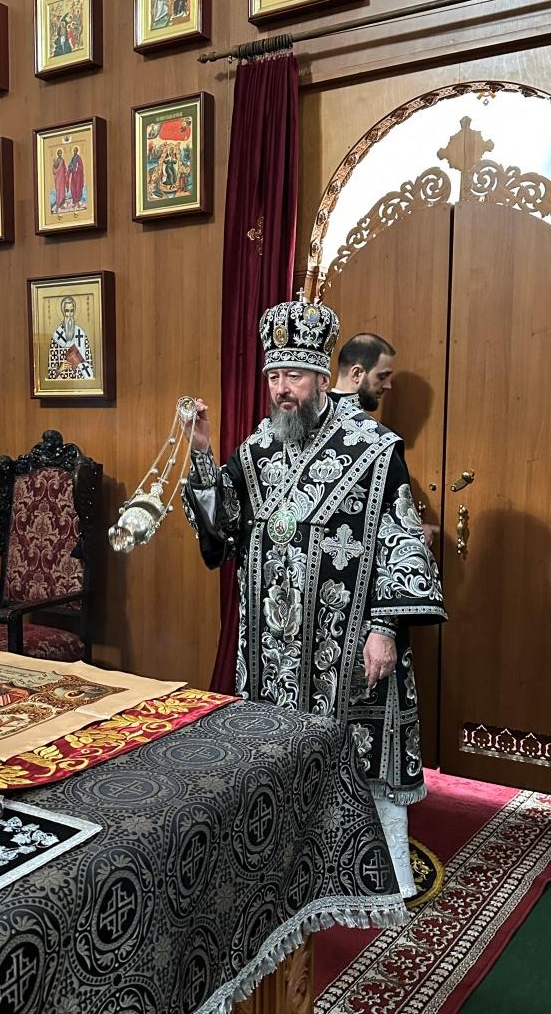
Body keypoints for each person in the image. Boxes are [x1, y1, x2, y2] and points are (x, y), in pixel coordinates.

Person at [181, 297, 447, 898]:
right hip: (271, 649)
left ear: (323, 378)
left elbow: (402, 539)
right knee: (277, 758)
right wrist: (201, 452)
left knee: (357, 759)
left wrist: (385, 627)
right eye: (274, 376)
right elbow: (223, 533)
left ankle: (382, 880)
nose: (282, 389)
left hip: (344, 645)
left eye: (294, 376)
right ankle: (286, 871)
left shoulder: (373, 448)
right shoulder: (256, 451)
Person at [332, 333, 439, 548]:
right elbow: (398, 525)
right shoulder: (381, 440)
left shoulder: (306, 421)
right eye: (382, 376)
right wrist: (417, 533)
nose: (388, 385)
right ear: (357, 373)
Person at [47, 296, 94, 380]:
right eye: (67, 311)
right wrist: (59, 369)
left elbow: (89, 364)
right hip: (61, 382)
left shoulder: (81, 333)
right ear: (63, 311)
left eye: (71, 311)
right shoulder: (56, 336)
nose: (69, 314)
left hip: (80, 381)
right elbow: (50, 371)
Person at [53, 149, 68, 214]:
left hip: (62, 179)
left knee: (62, 191)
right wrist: (56, 167)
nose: (60, 154)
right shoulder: (56, 161)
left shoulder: (62, 160)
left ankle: (61, 205)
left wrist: (66, 173)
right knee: (58, 191)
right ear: (57, 154)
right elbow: (54, 170)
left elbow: (65, 169)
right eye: (59, 153)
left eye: (60, 153)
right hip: (58, 179)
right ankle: (57, 206)